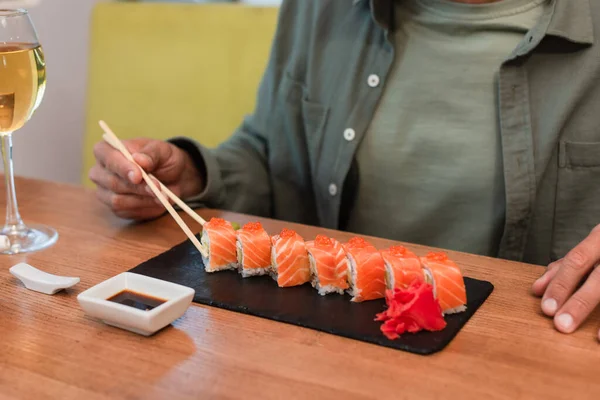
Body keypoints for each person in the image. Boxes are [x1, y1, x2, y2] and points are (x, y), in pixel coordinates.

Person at [89, 0, 600, 338]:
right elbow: (273, 155)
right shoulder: (320, 8)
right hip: (323, 346)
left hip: (535, 350)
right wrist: (193, 177)